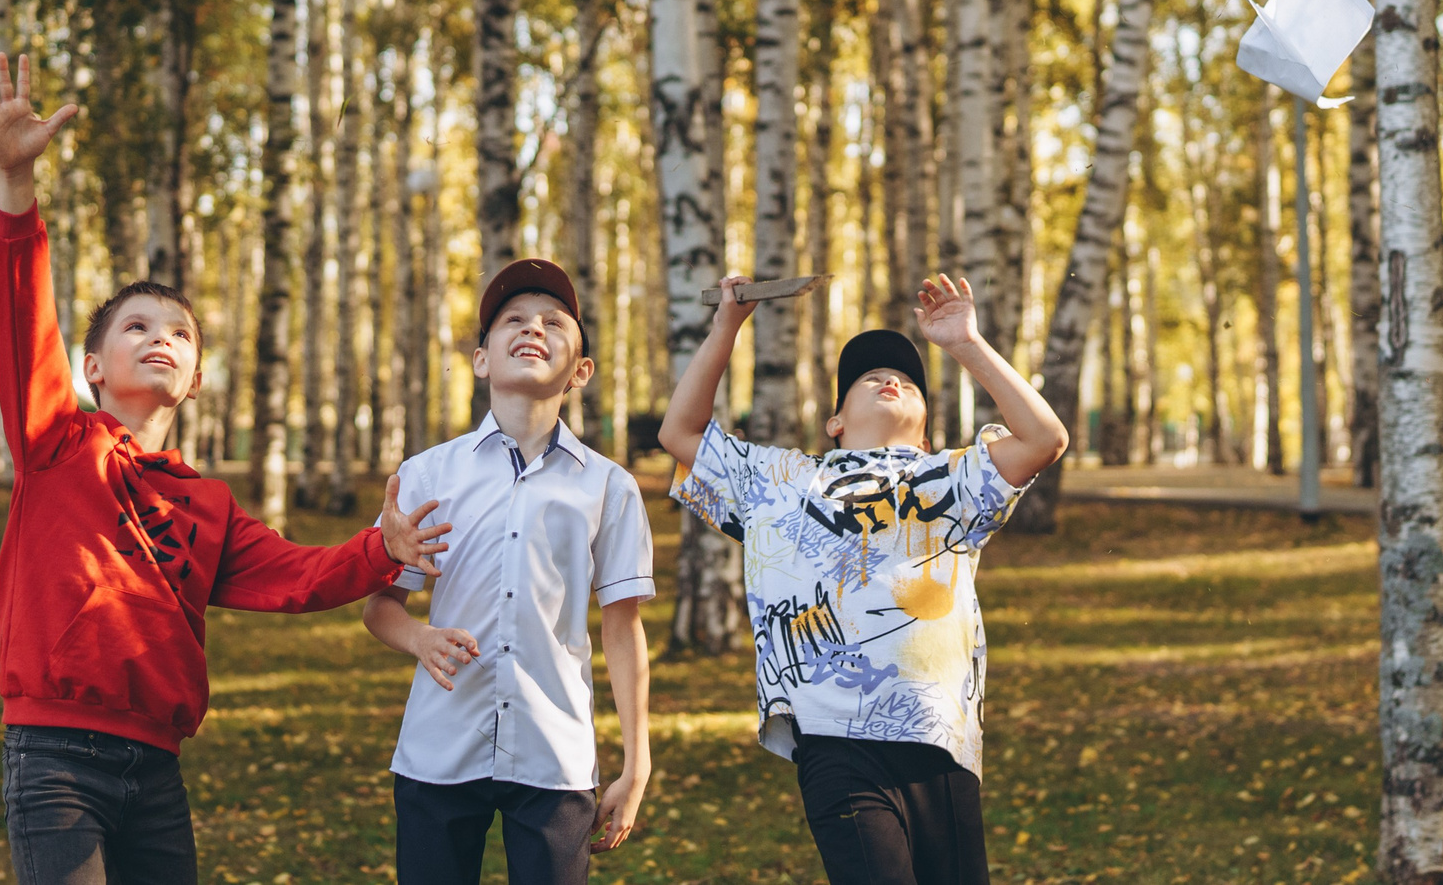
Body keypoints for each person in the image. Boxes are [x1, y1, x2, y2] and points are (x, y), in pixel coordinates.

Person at [0, 53, 452, 885]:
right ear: (91, 366)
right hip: (54, 756)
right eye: (136, 325)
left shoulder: (207, 503)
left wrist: (385, 546)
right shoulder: (55, 442)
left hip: (155, 766)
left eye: (181, 333)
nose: (161, 336)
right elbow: (20, 319)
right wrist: (17, 189)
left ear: (195, 378)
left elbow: (302, 574)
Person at [660, 273, 1068, 885]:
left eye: (907, 380)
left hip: (937, 733)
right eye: (867, 377)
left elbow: (1046, 437)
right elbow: (680, 434)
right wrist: (725, 328)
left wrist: (965, 344)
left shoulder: (951, 476)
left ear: (927, 428)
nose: (891, 379)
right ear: (834, 422)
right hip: (831, 734)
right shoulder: (780, 481)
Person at [365, 258, 655, 885]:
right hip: (438, 749)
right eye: (513, 321)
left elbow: (622, 627)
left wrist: (637, 766)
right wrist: (419, 639)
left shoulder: (610, 486)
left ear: (580, 371)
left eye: (554, 322)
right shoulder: (425, 475)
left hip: (556, 757)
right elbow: (381, 606)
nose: (533, 329)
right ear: (480, 360)